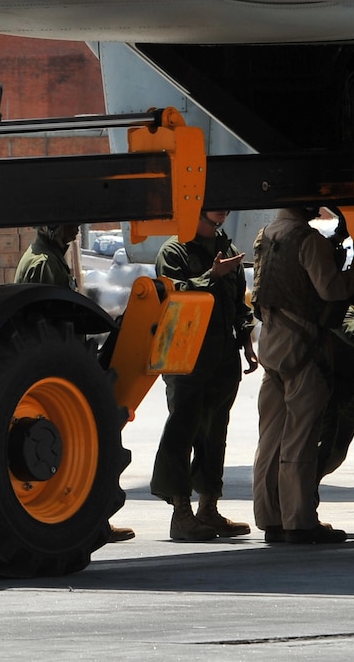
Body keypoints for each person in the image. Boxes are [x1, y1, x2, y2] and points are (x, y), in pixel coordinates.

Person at [250, 206, 354, 544]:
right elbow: (330, 289)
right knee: (301, 435)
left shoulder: (266, 235)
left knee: (270, 437)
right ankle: (299, 520)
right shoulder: (308, 239)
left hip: (271, 338)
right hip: (302, 343)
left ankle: (270, 518)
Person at [13, 222, 133, 542]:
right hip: (54, 373)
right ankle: (94, 523)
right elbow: (44, 322)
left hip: (59, 368)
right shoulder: (43, 265)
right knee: (84, 448)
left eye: (78, 225)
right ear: (50, 226)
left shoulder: (51, 258)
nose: (76, 231)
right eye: (69, 225)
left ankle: (96, 522)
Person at [151, 209, 256, 541]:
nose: (220, 217)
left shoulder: (225, 244)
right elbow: (172, 293)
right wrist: (211, 275)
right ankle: (181, 513)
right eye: (213, 214)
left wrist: (246, 340)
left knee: (215, 433)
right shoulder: (175, 250)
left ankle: (208, 509)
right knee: (182, 430)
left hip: (222, 356)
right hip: (186, 355)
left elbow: (237, 300)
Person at [15, 223, 80, 286]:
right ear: (54, 227)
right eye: (73, 225)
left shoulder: (46, 254)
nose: (77, 230)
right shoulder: (46, 264)